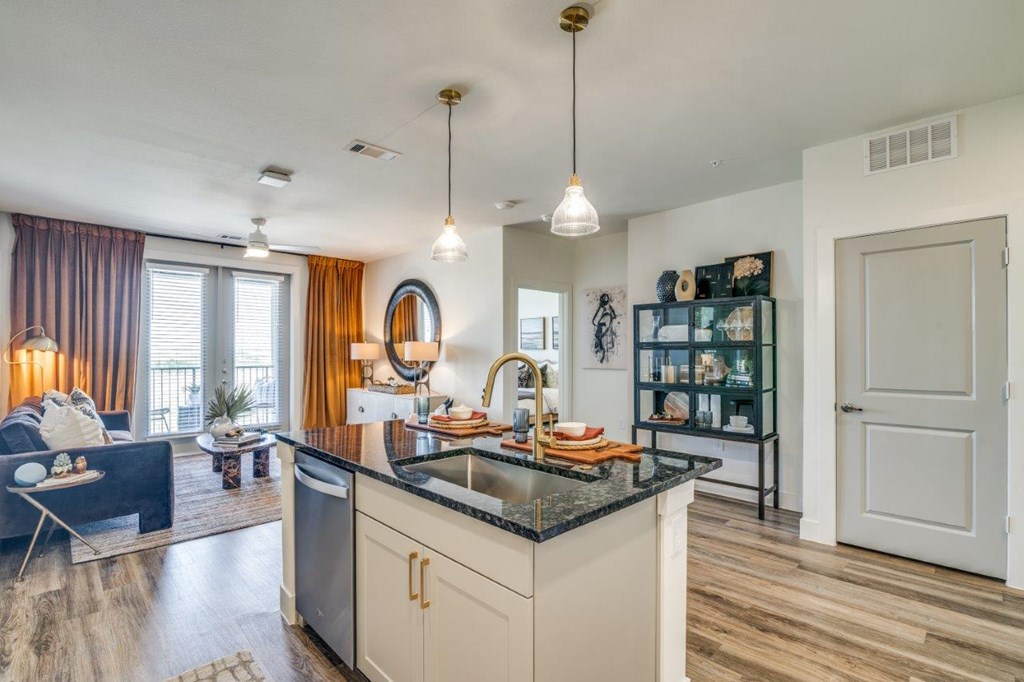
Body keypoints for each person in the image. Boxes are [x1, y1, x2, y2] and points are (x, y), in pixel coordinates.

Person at [591, 293, 618, 364]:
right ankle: (603, 357)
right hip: (602, 331)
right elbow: (595, 322)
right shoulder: (602, 309)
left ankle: (604, 358)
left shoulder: (608, 308)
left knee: (606, 347)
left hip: (606, 331)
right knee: (603, 346)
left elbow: (613, 316)